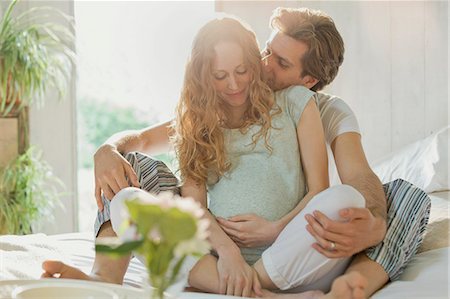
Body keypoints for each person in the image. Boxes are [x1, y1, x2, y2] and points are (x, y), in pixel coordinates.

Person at [44, 7, 431, 299]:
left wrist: (373, 224)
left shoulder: (317, 108)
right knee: (129, 176)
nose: (261, 67)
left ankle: (353, 281)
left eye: (279, 63)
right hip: (219, 246)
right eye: (264, 52)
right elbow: (146, 141)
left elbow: (356, 179)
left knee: (391, 196)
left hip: (286, 242)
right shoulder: (208, 110)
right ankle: (105, 278)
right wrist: (107, 149)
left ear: (308, 80)